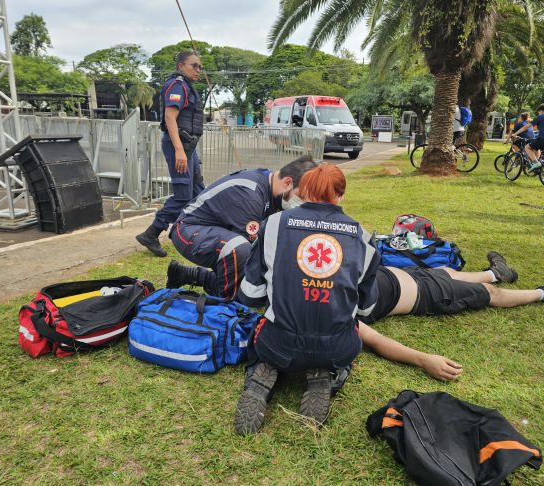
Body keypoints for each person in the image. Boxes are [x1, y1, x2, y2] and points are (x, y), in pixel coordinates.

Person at [233, 163, 380, 434]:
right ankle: (327, 373)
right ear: (341, 196)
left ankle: (259, 377)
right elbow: (366, 308)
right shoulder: (363, 238)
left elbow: (251, 295)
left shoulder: (273, 225)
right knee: (348, 332)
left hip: (278, 342)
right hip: (336, 346)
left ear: (303, 192)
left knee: (261, 327)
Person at [357, 254, 544, 381]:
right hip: (426, 295)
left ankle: (497, 273)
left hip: (406, 275)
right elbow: (376, 340)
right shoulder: (336, 312)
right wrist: (424, 359)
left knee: (449, 272)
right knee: (489, 294)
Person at [166, 156, 318, 300]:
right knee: (240, 251)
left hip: (216, 230)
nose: (301, 203)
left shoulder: (270, 187)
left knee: (252, 271)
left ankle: (187, 274)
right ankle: (229, 301)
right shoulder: (250, 195)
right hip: (189, 230)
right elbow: (255, 254)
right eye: (301, 196)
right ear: (287, 183)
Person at [136, 51, 206, 257]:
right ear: (181, 66)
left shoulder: (187, 87)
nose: (198, 70)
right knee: (184, 195)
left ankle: (194, 233)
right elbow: (169, 117)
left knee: (198, 193)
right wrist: (179, 151)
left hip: (188, 146)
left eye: (200, 67)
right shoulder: (177, 86)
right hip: (179, 146)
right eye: (194, 66)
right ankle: (151, 233)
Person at [511, 103, 544, 171]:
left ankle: (535, 163)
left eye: (538, 112)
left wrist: (515, 134)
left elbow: (526, 127)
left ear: (541, 111)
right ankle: (537, 164)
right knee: (537, 148)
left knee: (527, 147)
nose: (538, 114)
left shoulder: (540, 117)